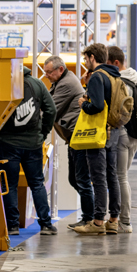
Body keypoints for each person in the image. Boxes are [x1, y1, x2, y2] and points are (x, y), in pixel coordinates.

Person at [0, 66, 58, 236]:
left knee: (10, 185)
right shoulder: (37, 83)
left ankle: (12, 226)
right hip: (33, 143)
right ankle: (45, 225)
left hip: (6, 143)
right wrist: (42, 133)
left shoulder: (2, 84)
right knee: (37, 183)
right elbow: (51, 110)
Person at [74, 43, 123, 236]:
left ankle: (97, 221)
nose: (86, 62)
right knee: (112, 176)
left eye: (86, 59)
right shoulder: (115, 76)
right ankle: (113, 219)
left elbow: (96, 107)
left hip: (98, 134)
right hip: (114, 132)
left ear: (93, 58)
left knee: (98, 178)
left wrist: (83, 103)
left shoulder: (97, 77)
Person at [44, 55, 93, 230]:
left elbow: (51, 110)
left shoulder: (66, 84)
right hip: (73, 136)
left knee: (81, 179)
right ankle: (91, 214)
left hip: (78, 136)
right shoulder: (61, 81)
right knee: (75, 178)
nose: (46, 75)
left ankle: (90, 218)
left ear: (60, 70)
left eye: (49, 72)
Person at [107, 46, 137, 233]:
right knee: (123, 176)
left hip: (123, 132)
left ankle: (125, 221)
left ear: (115, 63)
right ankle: (122, 219)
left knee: (120, 177)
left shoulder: (121, 81)